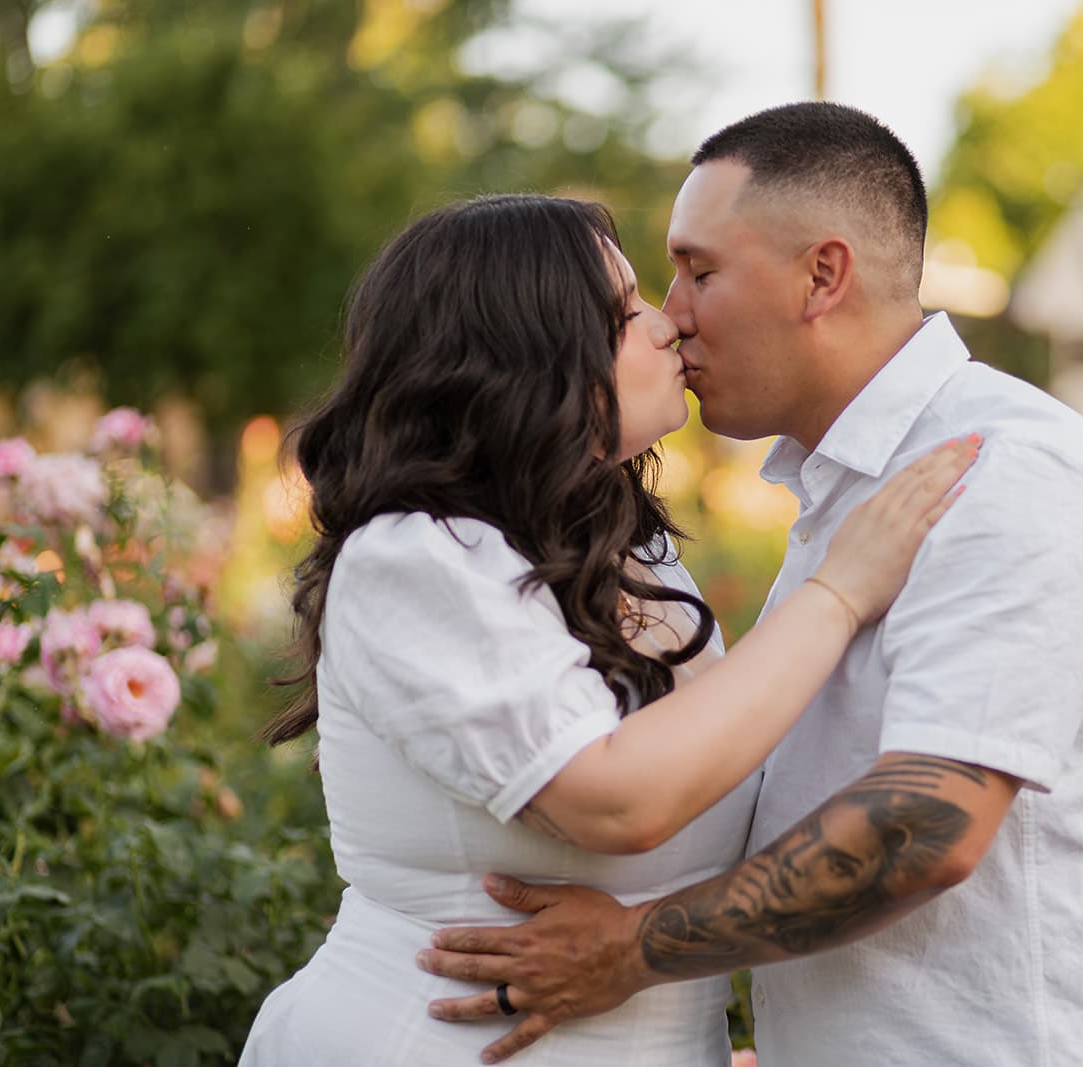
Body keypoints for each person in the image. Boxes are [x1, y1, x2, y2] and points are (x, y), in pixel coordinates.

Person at [417, 103, 1083, 1066]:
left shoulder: (997, 473)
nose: (671, 314)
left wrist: (631, 951)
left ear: (822, 275)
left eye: (700, 270)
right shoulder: (857, 488)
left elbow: (928, 821)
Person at [238, 193, 976, 1065]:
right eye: (624, 311)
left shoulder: (625, 546)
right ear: (527, 355)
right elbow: (617, 799)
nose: (667, 325)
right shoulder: (415, 557)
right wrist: (839, 591)